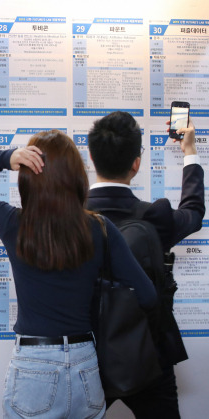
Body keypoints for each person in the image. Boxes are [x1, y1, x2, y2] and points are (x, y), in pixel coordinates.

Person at [0, 130, 157, 419]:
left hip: (33, 362)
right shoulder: (99, 228)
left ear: (28, 175)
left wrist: (5, 158)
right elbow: (147, 294)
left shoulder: (14, 224)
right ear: (76, 176)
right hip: (86, 361)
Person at [87, 111, 204, 418]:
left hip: (85, 358)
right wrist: (189, 151)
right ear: (136, 164)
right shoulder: (155, 217)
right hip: (149, 357)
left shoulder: (70, 218)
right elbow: (192, 212)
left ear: (91, 156)